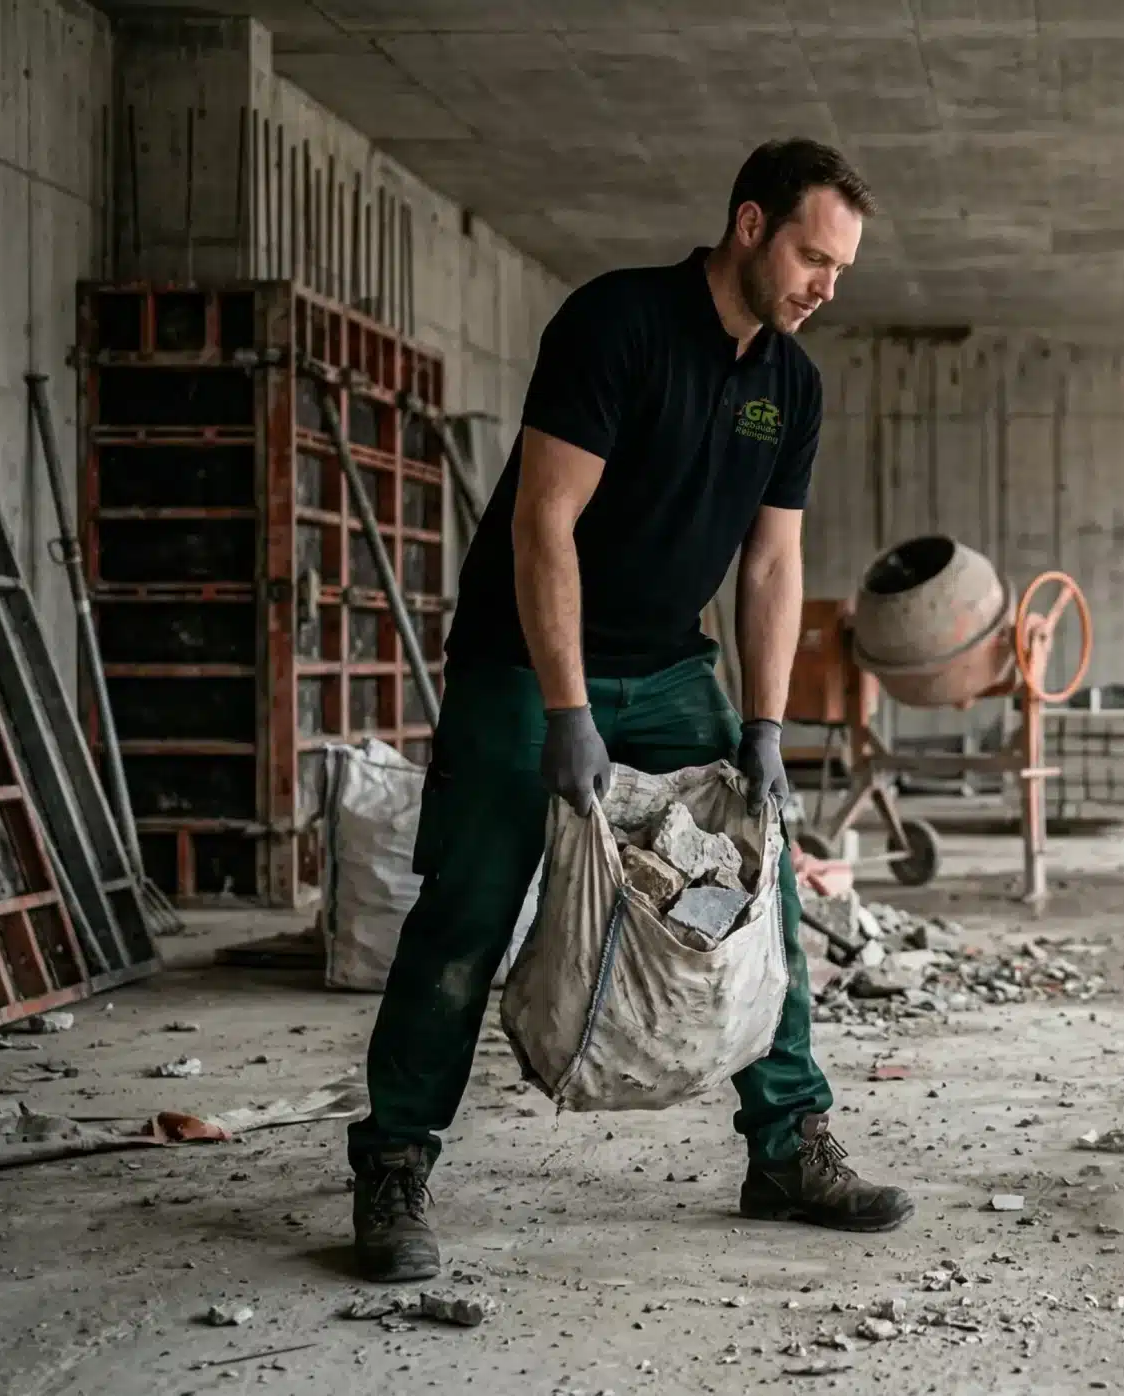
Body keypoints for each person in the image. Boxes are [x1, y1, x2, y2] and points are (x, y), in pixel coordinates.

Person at [345, 139, 913, 1284]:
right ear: (749, 225)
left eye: (841, 269)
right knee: (468, 912)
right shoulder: (617, 324)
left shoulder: (789, 386)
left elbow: (770, 566)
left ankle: (787, 1144)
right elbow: (540, 524)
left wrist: (761, 725)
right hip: (525, 661)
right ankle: (395, 1163)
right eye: (813, 256)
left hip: (667, 668)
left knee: (761, 892)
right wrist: (564, 710)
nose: (825, 286)